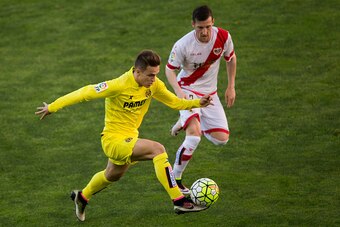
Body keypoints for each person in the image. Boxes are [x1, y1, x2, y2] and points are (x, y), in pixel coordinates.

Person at [35, 50, 213, 221]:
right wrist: (52, 107)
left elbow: (174, 102)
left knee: (112, 175)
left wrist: (198, 102)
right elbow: (84, 93)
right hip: (113, 140)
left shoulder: (154, 85)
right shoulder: (118, 85)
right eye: (150, 75)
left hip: (130, 139)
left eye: (156, 74)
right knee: (158, 150)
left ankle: (82, 196)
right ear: (137, 71)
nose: (154, 79)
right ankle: (179, 201)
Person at [165, 5, 237, 195]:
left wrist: (231, 87)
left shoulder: (223, 37)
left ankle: (186, 119)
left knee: (221, 140)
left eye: (208, 27)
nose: (205, 32)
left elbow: (231, 59)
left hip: (210, 94)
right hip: (188, 90)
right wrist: (180, 94)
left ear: (213, 22)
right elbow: (169, 69)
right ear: (193, 25)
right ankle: (176, 180)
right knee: (194, 136)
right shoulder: (183, 44)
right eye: (200, 28)